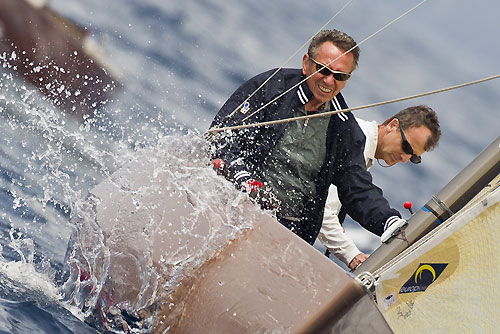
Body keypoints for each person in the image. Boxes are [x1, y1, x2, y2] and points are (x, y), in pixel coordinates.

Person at [207, 29, 405, 245]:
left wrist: (388, 221)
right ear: (306, 63)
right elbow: (220, 141)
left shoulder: (344, 127)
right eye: (323, 70)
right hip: (229, 205)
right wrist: (246, 181)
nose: (329, 81)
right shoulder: (270, 88)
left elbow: (357, 188)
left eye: (339, 76)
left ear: (347, 80)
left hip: (287, 233)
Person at [319, 105, 441, 270]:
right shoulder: (356, 139)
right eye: (406, 147)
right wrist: (353, 256)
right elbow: (323, 212)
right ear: (392, 125)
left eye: (413, 158)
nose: (405, 159)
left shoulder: (363, 145)